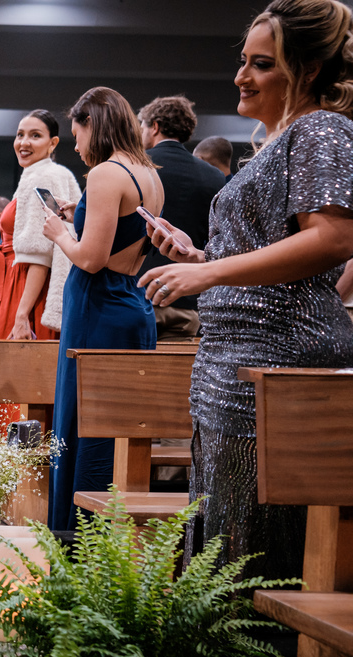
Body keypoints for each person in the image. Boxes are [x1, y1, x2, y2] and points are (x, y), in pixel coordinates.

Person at [139, 0, 353, 583]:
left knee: (254, 534)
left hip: (279, 353)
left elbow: (334, 238)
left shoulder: (322, 129)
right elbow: (269, 252)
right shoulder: (279, 140)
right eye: (243, 61)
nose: (240, 76)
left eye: (261, 64)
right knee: (224, 517)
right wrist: (201, 257)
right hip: (233, 356)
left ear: (304, 70)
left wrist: (209, 275)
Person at [42, 87, 163, 532]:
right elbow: (121, 236)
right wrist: (81, 214)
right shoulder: (149, 172)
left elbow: (90, 259)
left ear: (96, 124)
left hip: (96, 303)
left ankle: (78, 548)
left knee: (84, 427)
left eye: (77, 135)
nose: (75, 146)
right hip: (132, 300)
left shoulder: (105, 174)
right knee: (120, 427)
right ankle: (113, 551)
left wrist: (59, 231)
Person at [0, 109, 81, 427]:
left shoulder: (44, 176)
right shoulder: (36, 175)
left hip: (27, 288)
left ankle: (23, 469)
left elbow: (41, 254)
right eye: (20, 134)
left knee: (19, 383)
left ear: (53, 143)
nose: (23, 142)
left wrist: (22, 314)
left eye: (34, 135)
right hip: (16, 283)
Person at [137, 95, 227, 340]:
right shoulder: (216, 176)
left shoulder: (136, 167)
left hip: (141, 294)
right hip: (192, 297)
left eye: (142, 126)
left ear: (154, 126)